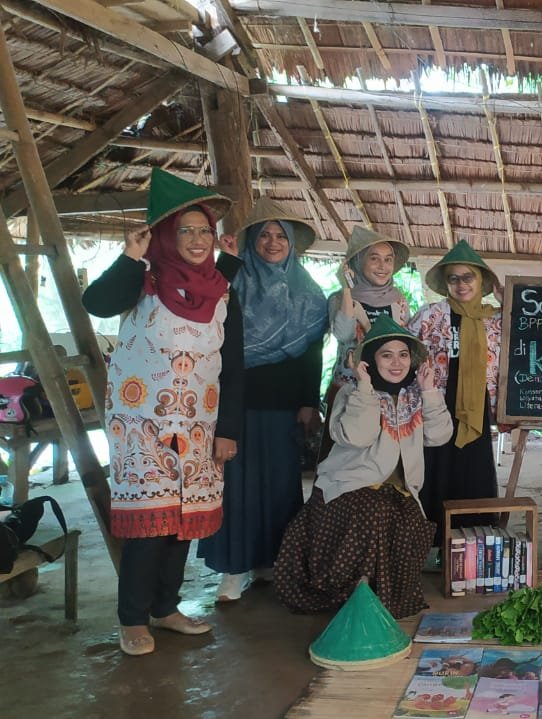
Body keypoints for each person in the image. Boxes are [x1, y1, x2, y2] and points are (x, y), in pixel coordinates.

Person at [82, 169, 244, 656]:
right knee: (150, 523)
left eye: (204, 231)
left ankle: (165, 608)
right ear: (165, 237)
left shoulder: (222, 290)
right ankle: (132, 618)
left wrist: (227, 430)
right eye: (185, 231)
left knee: (184, 520)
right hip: (142, 425)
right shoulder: (144, 279)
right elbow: (97, 303)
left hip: (200, 424)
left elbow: (232, 364)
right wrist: (130, 257)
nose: (196, 240)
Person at [273, 317, 453, 618]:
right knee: (374, 510)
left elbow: (439, 436)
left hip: (397, 490)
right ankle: (356, 596)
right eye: (386, 355)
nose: (396, 363)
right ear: (369, 361)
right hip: (348, 487)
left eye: (403, 354)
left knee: (412, 520)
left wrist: (430, 391)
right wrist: (366, 389)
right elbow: (359, 436)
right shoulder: (352, 393)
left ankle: (381, 598)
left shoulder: (416, 397)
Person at [197, 200, 328, 602]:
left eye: (280, 237)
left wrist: (308, 401)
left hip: (284, 404)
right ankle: (234, 568)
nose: (273, 243)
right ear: (252, 241)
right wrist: (228, 261)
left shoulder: (308, 293)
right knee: (235, 485)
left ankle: (274, 560)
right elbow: (204, 309)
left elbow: (312, 353)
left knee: (280, 486)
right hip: (233, 400)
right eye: (265, 235)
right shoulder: (232, 283)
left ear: (291, 244)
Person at [409, 239, 503, 542]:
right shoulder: (430, 315)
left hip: (477, 405)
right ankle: (434, 539)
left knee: (474, 470)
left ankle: (474, 540)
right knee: (437, 468)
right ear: (446, 283)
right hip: (437, 402)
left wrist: (509, 301)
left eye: (468, 277)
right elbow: (405, 350)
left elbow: (528, 334)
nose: (461, 285)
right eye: (454, 278)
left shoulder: (495, 319)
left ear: (481, 280)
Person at [321, 225, 413, 458]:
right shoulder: (339, 299)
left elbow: (401, 345)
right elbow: (343, 334)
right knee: (346, 457)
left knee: (382, 460)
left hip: (387, 392)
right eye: (374, 258)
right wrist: (347, 290)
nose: (383, 266)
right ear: (358, 262)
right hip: (349, 390)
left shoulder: (398, 301)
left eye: (388, 259)